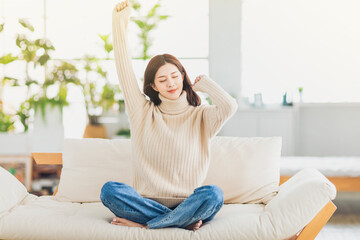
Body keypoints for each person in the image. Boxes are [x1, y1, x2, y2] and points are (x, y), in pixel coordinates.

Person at [100, 0, 238, 231]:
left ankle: (148, 226)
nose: (171, 83)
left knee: (214, 194)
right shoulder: (142, 111)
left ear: (183, 76)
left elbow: (229, 106)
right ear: (153, 86)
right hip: (146, 203)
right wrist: (119, 23)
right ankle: (178, 222)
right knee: (109, 191)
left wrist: (206, 85)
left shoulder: (201, 117)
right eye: (162, 80)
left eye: (175, 76)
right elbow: (123, 67)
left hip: (191, 203)